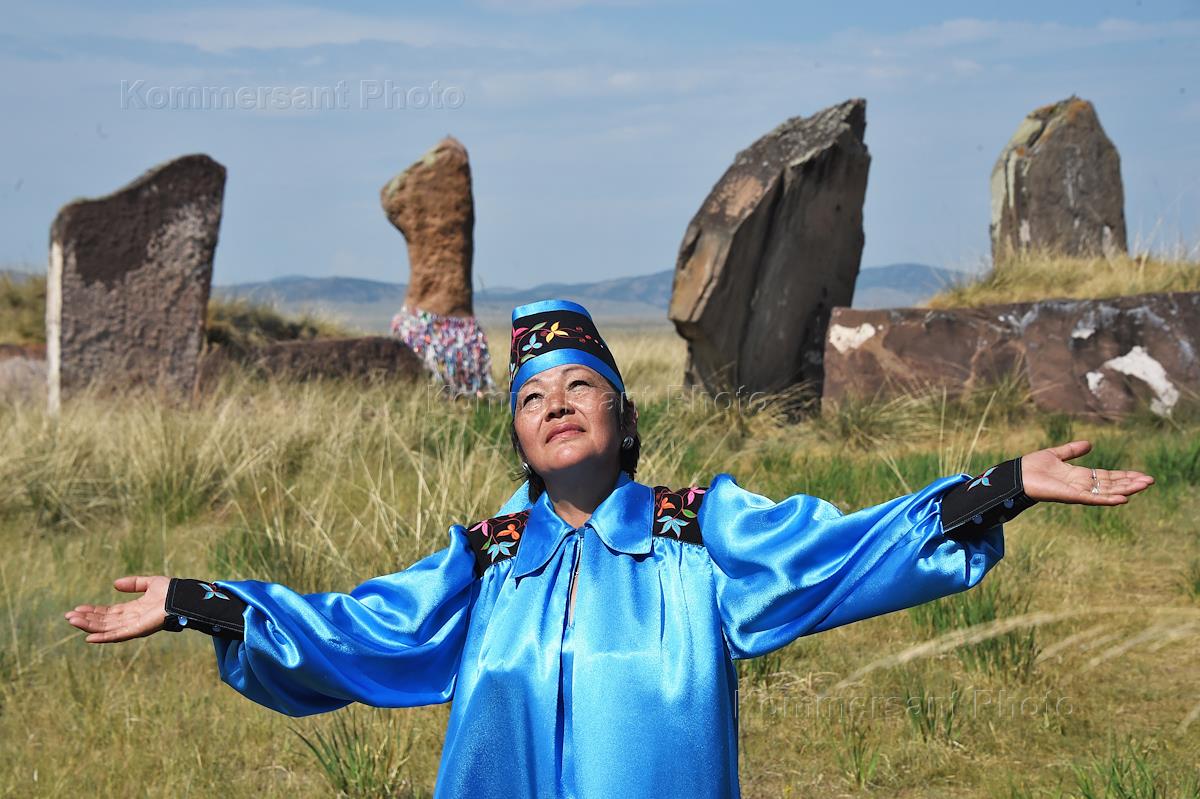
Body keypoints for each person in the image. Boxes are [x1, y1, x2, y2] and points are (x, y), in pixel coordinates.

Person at [65, 299, 1154, 798]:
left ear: (623, 416)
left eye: (581, 384)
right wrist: (203, 601)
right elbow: (354, 629)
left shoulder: (700, 532)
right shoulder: (484, 560)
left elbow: (839, 551)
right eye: (532, 395)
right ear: (518, 435)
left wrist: (1001, 485)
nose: (555, 402)